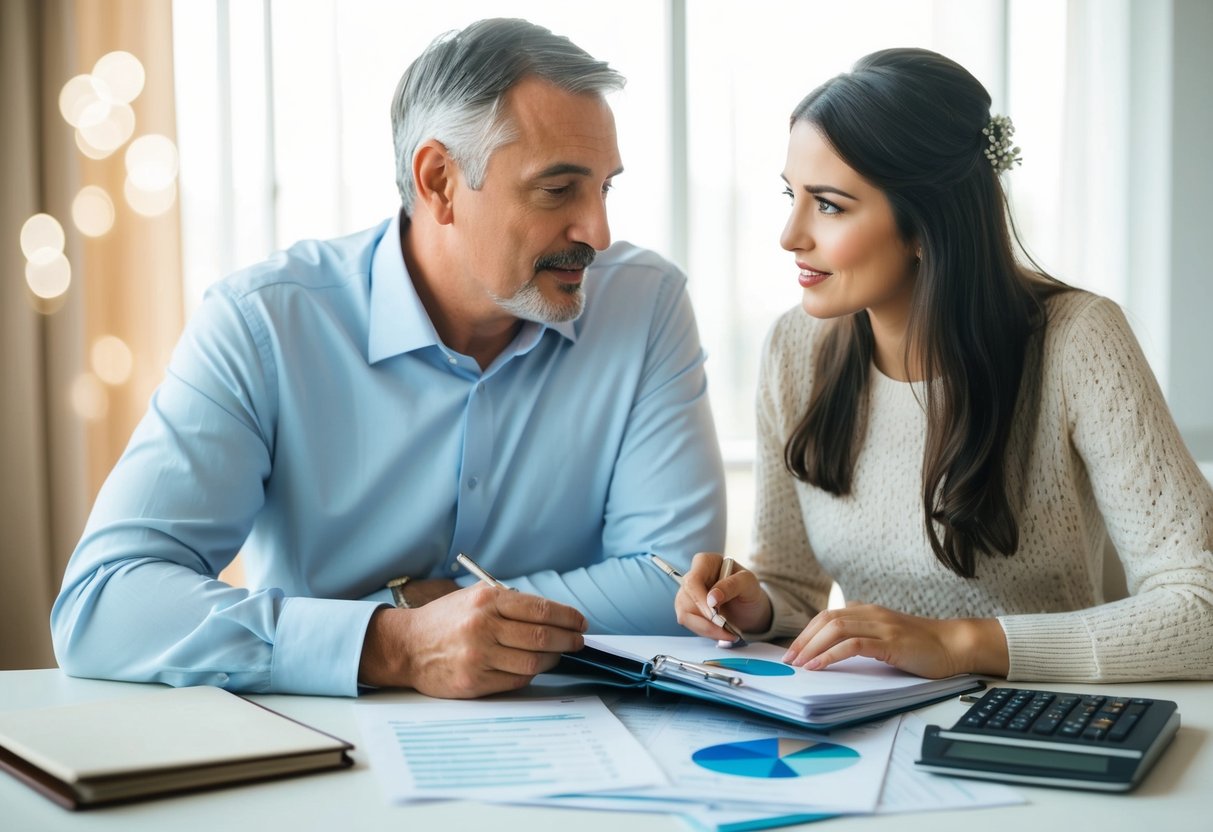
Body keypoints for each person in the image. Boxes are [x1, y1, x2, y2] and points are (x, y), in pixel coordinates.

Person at [52, 18, 725, 700]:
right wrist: (392, 643)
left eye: (604, 187)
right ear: (438, 181)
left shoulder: (645, 305)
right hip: (328, 758)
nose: (598, 233)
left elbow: (672, 587)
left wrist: (427, 607)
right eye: (557, 190)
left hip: (587, 748)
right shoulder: (263, 324)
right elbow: (104, 604)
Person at [675, 48, 1213, 682]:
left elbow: (1200, 608)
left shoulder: (1078, 342)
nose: (789, 235)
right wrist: (753, 605)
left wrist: (960, 644)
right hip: (873, 733)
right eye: (792, 195)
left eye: (829, 205)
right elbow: (794, 586)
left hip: (1039, 725)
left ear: (926, 226)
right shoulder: (795, 349)